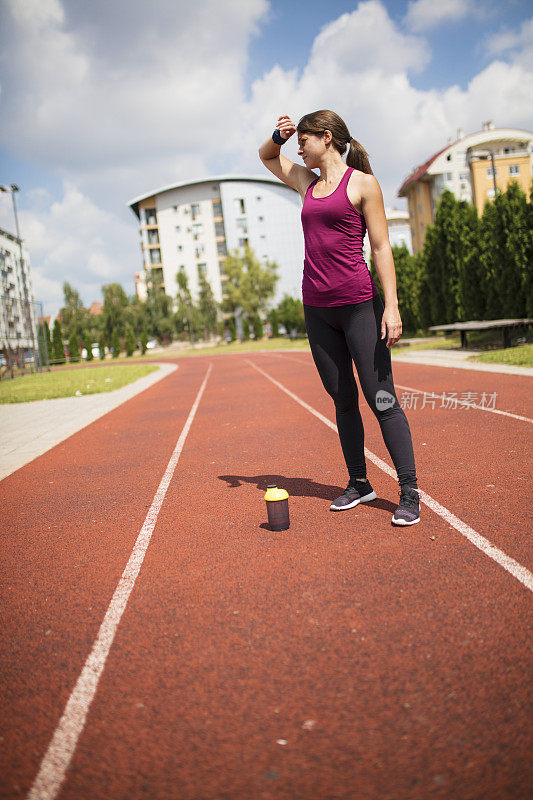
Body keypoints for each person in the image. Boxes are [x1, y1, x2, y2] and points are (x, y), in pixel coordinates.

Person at [258, 110, 420, 526]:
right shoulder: (306, 184)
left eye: (303, 141)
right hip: (317, 311)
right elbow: (266, 157)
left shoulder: (363, 184)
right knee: (342, 400)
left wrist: (394, 307)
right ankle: (360, 483)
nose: (298, 148)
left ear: (326, 138)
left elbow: (382, 249)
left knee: (382, 399)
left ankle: (409, 491)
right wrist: (277, 136)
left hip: (359, 307)